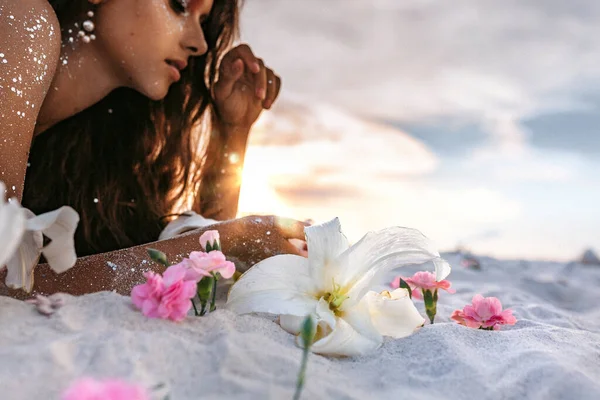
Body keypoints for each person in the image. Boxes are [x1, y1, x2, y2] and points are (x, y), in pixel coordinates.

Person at [0, 0, 307, 298]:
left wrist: (230, 134)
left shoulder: (93, 144)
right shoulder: (21, 19)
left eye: (202, 21)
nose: (199, 43)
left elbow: (149, 271)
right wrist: (222, 243)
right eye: (179, 5)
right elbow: (8, 288)